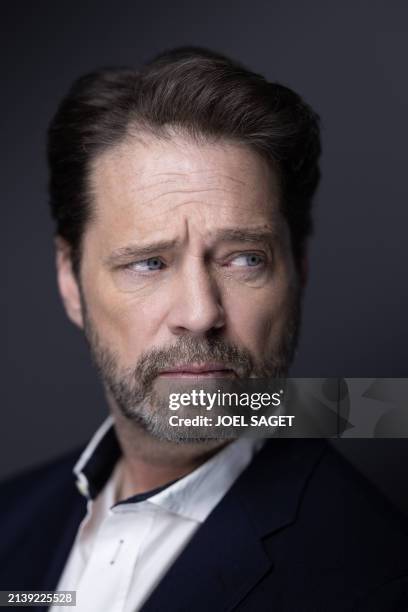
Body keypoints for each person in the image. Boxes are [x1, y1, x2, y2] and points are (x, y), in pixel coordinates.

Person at [1, 46, 407, 612]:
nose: (200, 312)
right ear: (71, 281)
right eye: (149, 263)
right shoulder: (12, 521)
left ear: (299, 270)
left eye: (244, 259)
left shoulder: (377, 581)